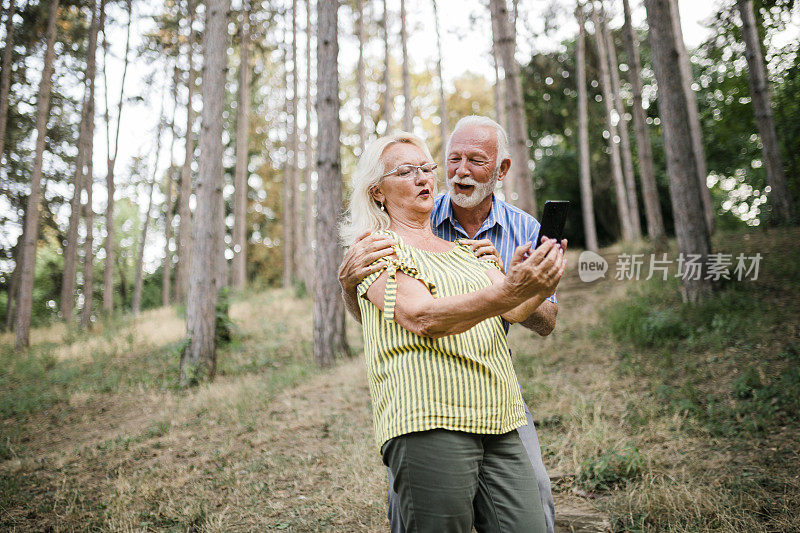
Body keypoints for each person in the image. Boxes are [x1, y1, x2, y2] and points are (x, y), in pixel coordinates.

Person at [339, 116, 566, 533]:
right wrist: (510, 290)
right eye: (406, 172)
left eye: (426, 169)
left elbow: (521, 312)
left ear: (500, 170)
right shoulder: (374, 248)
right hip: (430, 413)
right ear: (377, 191)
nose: (428, 178)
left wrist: (537, 281)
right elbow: (420, 316)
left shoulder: (469, 250)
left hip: (499, 411)